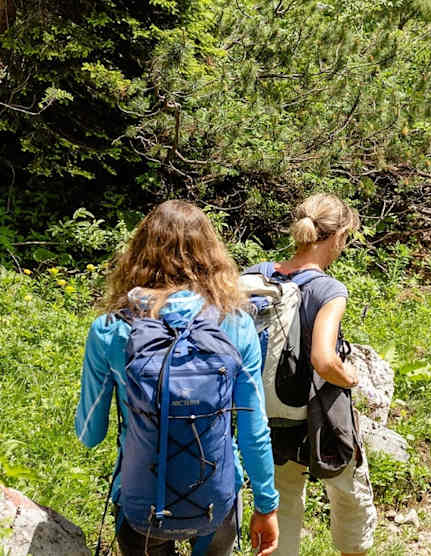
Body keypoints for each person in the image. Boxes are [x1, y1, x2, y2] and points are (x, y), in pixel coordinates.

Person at [75, 200, 279, 556]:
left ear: (138, 252)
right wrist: (267, 504)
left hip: (140, 496)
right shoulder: (235, 324)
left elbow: (90, 434)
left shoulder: (111, 328)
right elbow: (254, 429)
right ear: (212, 254)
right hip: (217, 497)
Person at [245, 193, 376, 556]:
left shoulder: (255, 275)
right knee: (349, 491)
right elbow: (323, 359)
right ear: (336, 237)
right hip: (316, 417)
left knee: (283, 497)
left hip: (263, 415)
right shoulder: (327, 289)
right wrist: (349, 376)